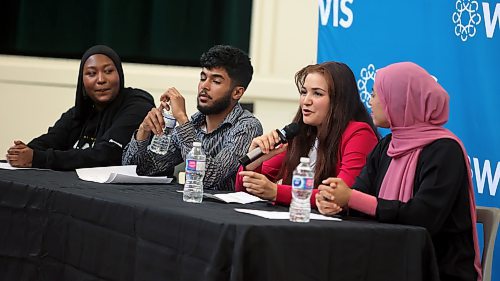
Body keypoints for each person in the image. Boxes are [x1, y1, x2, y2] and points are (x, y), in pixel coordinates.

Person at [316, 62, 482, 281]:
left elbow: (423, 217)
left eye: (377, 95)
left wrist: (353, 198)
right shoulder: (386, 145)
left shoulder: (445, 150)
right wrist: (337, 204)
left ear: (401, 99)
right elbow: (360, 194)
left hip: (438, 269)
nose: (370, 101)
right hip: (388, 260)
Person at [235, 62, 379, 206]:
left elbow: (340, 195)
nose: (306, 101)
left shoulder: (359, 134)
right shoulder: (299, 133)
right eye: (304, 92)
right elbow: (245, 192)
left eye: (317, 93)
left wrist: (276, 192)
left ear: (339, 100)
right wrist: (254, 162)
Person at [122, 45, 263, 191]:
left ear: (237, 93)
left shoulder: (247, 127)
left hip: (225, 212)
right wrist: (143, 132)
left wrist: (182, 119)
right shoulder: (195, 123)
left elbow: (209, 177)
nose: (204, 86)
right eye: (203, 78)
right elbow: (140, 170)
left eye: (216, 81)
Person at [5, 45, 154, 170]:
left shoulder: (138, 105)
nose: (101, 80)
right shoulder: (81, 111)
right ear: (82, 80)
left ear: (119, 74)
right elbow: (52, 139)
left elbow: (107, 155)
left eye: (108, 71)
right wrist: (23, 151)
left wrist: (38, 158)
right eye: (91, 73)